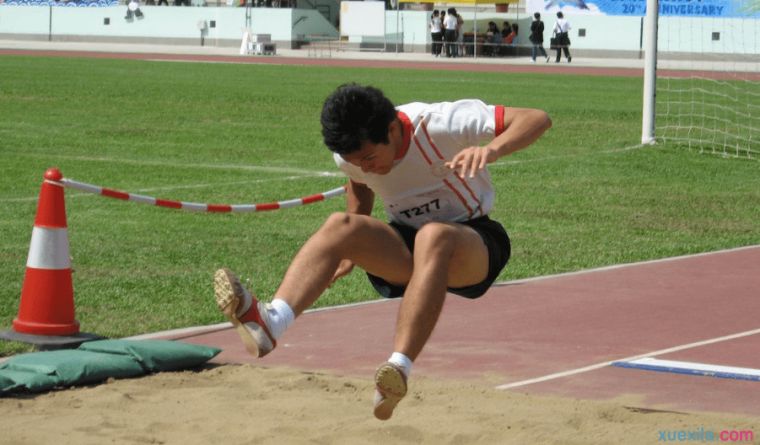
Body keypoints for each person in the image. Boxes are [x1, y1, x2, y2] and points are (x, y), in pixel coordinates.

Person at [213, 84, 552, 421]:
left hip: (474, 242)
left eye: (370, 158)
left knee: (434, 237)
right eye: (354, 162)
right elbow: (360, 195)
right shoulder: (352, 157)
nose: (366, 168)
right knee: (339, 225)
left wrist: (492, 150)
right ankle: (272, 322)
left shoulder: (440, 123)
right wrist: (348, 251)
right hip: (406, 247)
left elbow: (536, 119)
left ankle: (397, 370)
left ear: (392, 129)